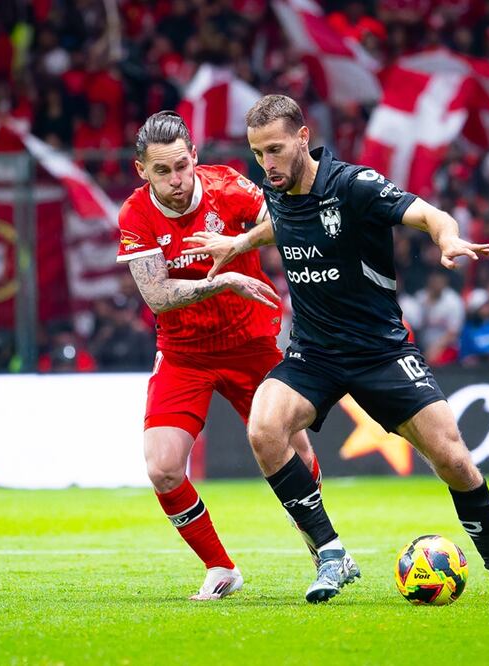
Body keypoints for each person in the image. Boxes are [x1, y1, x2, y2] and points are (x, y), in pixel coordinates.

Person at [185, 95, 489, 605]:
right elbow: (281, 222)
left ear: (303, 138)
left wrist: (447, 240)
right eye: (258, 152)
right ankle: (330, 552)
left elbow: (431, 214)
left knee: (454, 460)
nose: (266, 164)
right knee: (264, 428)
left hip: (381, 352)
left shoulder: (354, 185)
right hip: (315, 353)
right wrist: (239, 244)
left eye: (275, 149)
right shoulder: (278, 189)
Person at [117, 111, 322, 601]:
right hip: (184, 354)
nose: (176, 180)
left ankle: (324, 550)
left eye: (182, 166)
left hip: (250, 344)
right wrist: (224, 278)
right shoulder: (135, 215)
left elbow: (282, 217)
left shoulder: (227, 186)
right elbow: (157, 297)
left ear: (194, 157)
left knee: (296, 454)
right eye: (162, 171)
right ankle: (220, 567)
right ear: (142, 170)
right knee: (163, 467)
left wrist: (243, 242)